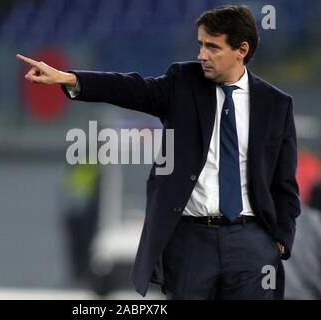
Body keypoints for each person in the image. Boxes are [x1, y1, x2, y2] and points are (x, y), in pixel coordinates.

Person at [17, 5, 300, 300]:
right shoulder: (183, 82)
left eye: (213, 47)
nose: (202, 54)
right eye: (201, 44)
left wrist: (279, 243)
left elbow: (284, 187)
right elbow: (129, 88)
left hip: (251, 244)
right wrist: (70, 79)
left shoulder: (276, 105)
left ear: (241, 49)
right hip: (192, 243)